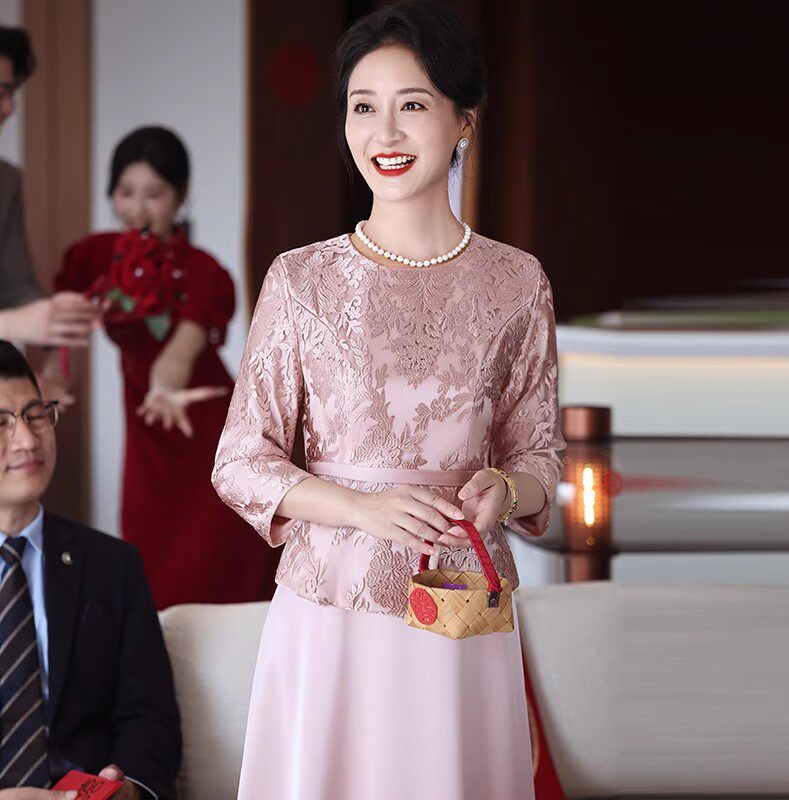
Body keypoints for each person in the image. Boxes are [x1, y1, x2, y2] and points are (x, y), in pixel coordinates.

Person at [213, 3, 565, 798]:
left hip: (460, 606)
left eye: (412, 105)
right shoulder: (300, 280)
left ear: (463, 120)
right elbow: (240, 461)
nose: (385, 133)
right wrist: (357, 507)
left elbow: (539, 453)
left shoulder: (518, 282)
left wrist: (507, 489)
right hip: (330, 607)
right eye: (363, 107)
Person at [53, 126, 277, 609]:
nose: (137, 208)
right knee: (150, 566)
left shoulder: (202, 271)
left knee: (214, 564)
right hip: (149, 429)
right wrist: (53, 381)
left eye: (154, 194)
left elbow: (180, 351)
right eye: (125, 192)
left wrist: (162, 387)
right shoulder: (95, 257)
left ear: (180, 196)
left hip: (203, 425)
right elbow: (66, 337)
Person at [0, 341, 180, 797]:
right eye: (1, 423)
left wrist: (130, 788)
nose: (27, 440)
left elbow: (149, 715)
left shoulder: (113, 566)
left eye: (35, 414)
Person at [0, 26, 98, 354]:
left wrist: (57, 315)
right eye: (1, 92)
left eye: (11, 93)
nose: (10, 108)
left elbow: (17, 288)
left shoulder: (7, 181)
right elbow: (15, 317)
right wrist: (11, 324)